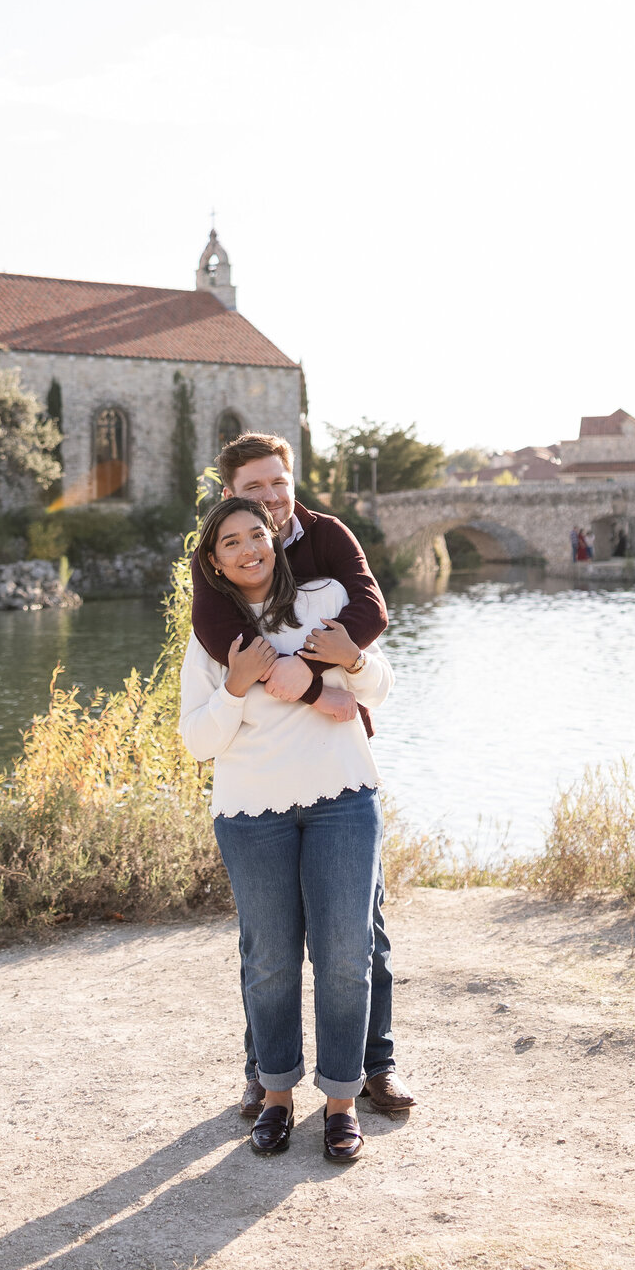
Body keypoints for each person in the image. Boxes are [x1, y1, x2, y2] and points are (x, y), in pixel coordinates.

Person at [191, 432, 414, 1122]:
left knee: (359, 934)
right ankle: (266, 1075)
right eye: (253, 489)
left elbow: (370, 614)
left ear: (292, 481)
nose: (270, 499)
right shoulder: (221, 566)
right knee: (268, 946)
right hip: (260, 783)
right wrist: (293, 688)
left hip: (336, 769)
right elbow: (222, 643)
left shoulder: (325, 542)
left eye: (278, 484)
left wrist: (318, 678)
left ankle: (372, 1068)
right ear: (229, 497)